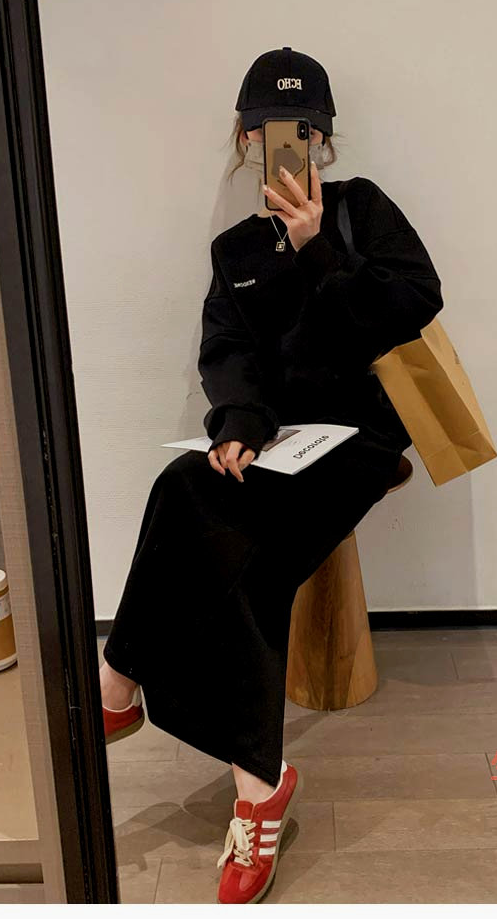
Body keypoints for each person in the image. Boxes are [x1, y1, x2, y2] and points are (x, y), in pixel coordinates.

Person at [99, 46, 444, 904]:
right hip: (280, 439)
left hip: (362, 438)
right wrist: (239, 426)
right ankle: (259, 785)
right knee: (186, 486)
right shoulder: (236, 248)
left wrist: (319, 248)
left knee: (241, 555)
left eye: (302, 129)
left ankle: (119, 680)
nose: (286, 143)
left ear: (322, 138)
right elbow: (228, 352)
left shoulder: (362, 212)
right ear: (246, 140)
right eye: (267, 130)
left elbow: (411, 306)